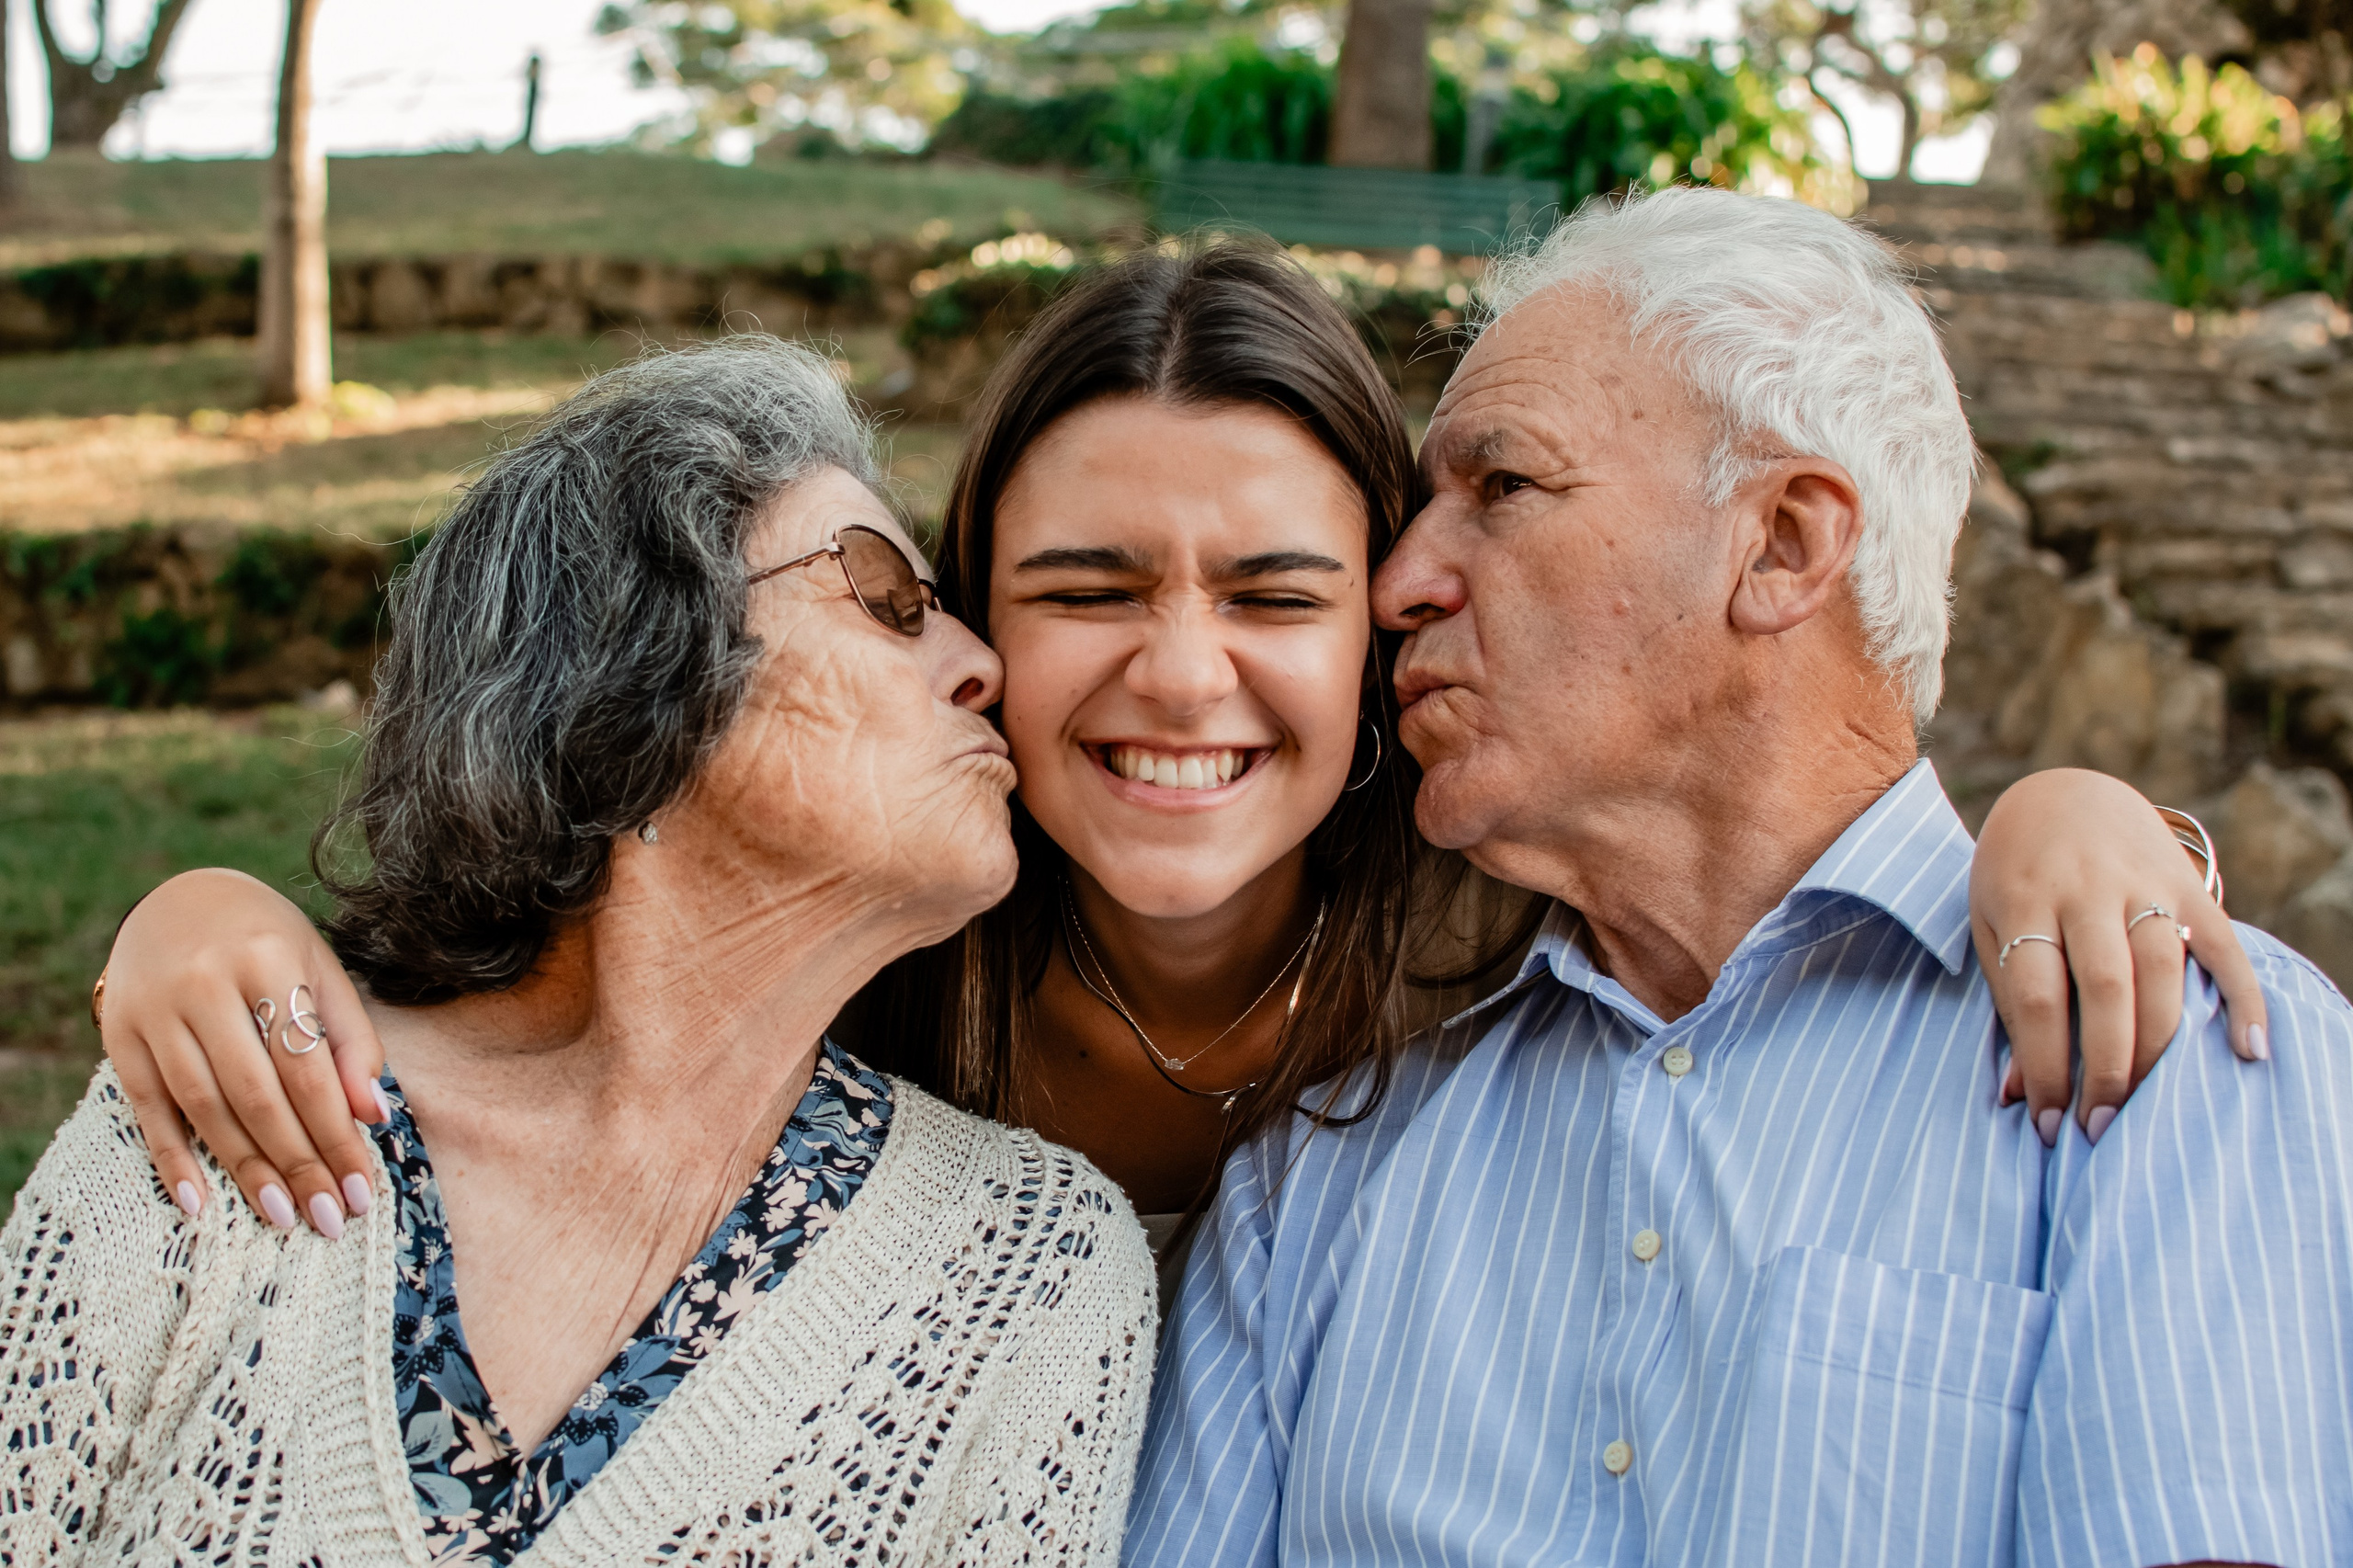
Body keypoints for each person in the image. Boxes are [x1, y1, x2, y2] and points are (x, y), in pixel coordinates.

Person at [90, 244, 2254, 1292]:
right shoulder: (864, 941)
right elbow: (506, 953)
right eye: (1086, 583)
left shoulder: (1507, 920)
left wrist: (2067, 817)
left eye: (1280, 592)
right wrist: (205, 919)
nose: (1180, 674)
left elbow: (1790, 839)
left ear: (1397, 613)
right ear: (965, 626)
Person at [1127, 188, 2353, 1568]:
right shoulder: (1316, 1181)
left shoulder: (2179, 1046)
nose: (1399, 580)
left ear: (1781, 544)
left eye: (1503, 487)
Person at [0, 339, 1156, 1567]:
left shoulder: (1033, 1273)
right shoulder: (227, 1119)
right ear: (637, 671)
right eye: (888, 597)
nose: (981, 663)